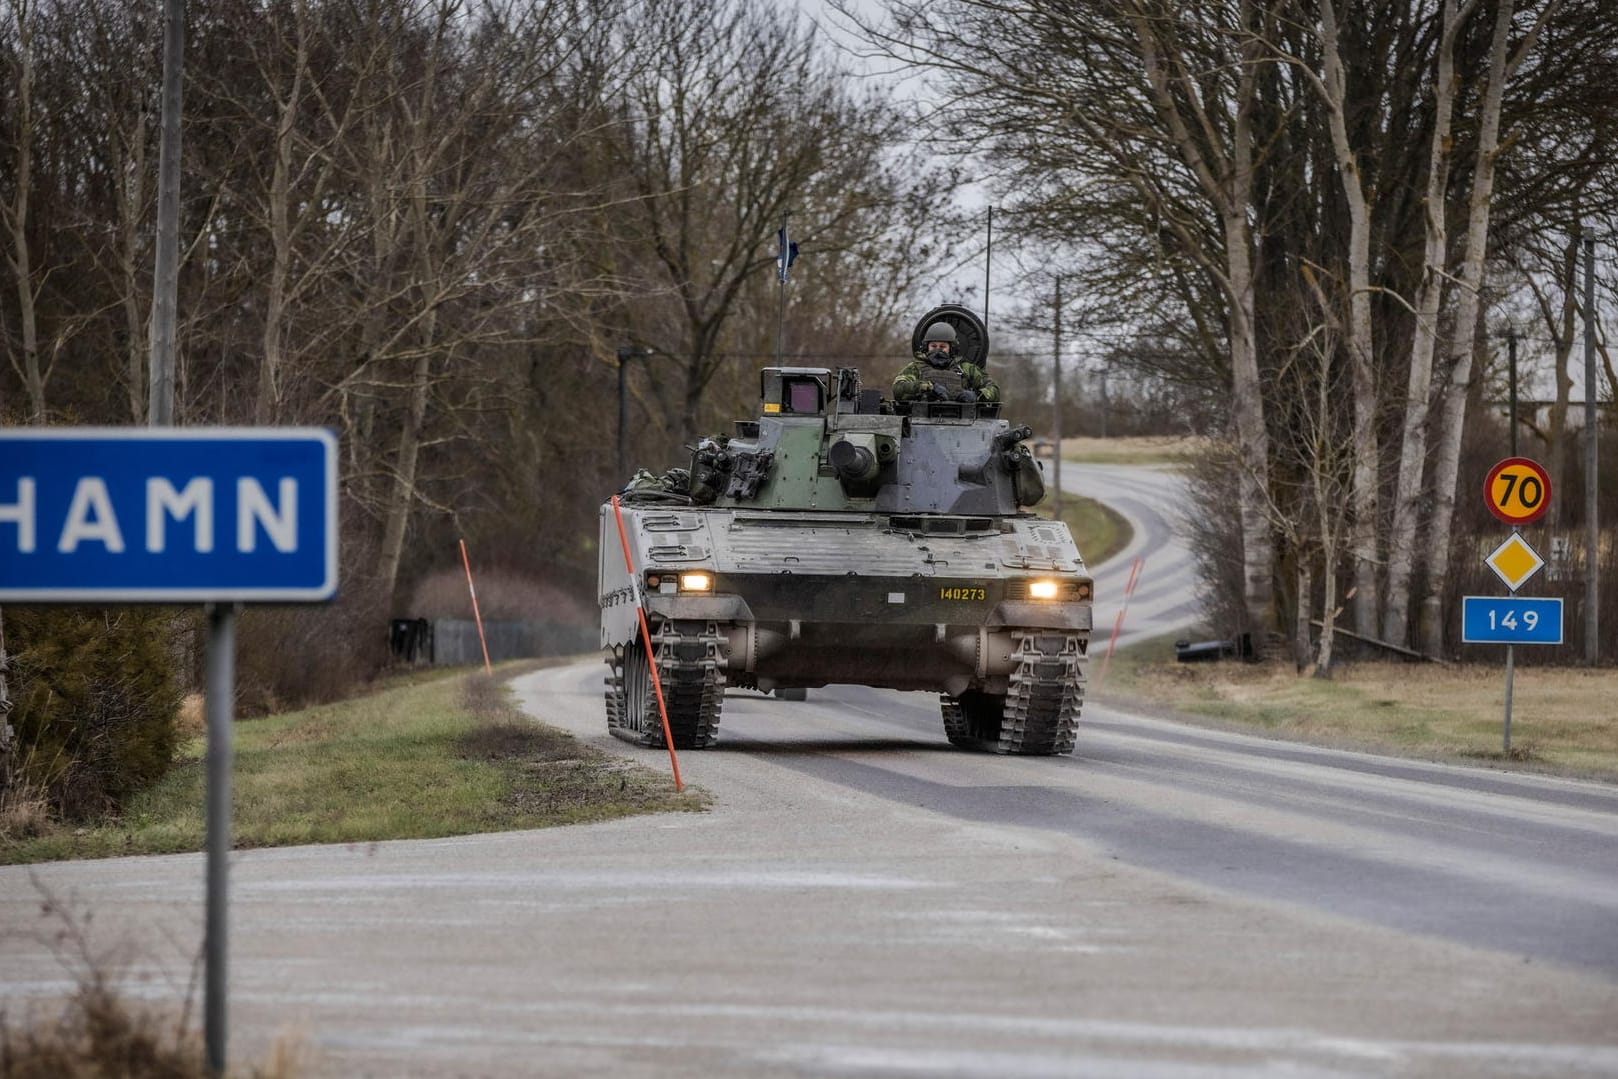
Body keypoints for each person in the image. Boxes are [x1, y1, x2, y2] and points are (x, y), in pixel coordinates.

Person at [892, 322, 1000, 404]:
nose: (938, 350)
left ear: (952, 349)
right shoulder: (915, 368)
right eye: (933, 346)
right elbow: (898, 388)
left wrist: (976, 396)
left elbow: (993, 389)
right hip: (922, 420)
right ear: (926, 347)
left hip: (964, 422)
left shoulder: (966, 369)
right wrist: (928, 387)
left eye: (943, 347)